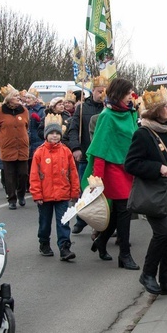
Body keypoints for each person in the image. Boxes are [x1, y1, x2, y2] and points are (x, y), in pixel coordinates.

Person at [126, 86, 167, 294]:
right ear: (155, 110)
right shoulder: (143, 134)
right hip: (154, 195)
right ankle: (147, 274)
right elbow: (131, 164)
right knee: (163, 234)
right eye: (165, 106)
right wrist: (157, 168)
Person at [86, 78, 139, 269]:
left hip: (129, 168)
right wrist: (96, 180)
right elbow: (100, 149)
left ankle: (101, 241)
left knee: (119, 212)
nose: (131, 97)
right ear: (118, 94)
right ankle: (124, 254)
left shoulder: (131, 113)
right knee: (124, 209)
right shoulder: (107, 116)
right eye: (128, 93)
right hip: (112, 169)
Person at [30, 114, 80, 261]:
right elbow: (34, 175)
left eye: (57, 133)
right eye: (51, 133)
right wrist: (37, 194)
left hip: (63, 194)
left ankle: (65, 247)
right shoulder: (39, 152)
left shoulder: (66, 151)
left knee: (63, 222)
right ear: (46, 135)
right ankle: (44, 242)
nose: (54, 136)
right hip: (45, 196)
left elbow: (73, 173)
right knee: (44, 222)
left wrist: (74, 191)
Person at [67, 76, 107, 234]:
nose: (101, 94)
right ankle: (81, 219)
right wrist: (75, 147)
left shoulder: (109, 108)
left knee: (104, 191)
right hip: (86, 155)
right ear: (93, 91)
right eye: (99, 91)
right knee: (85, 189)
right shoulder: (82, 108)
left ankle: (104, 222)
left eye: (104, 92)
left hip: (104, 157)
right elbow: (73, 129)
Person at [0, 89, 30, 210]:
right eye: (15, 96)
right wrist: (4, 139)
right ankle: (12, 199)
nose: (19, 98)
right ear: (9, 98)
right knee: (9, 175)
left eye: (19, 96)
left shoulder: (24, 111)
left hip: (22, 147)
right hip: (8, 147)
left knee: (23, 174)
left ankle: (21, 194)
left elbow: (26, 125)